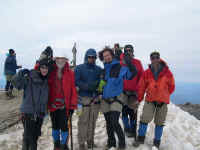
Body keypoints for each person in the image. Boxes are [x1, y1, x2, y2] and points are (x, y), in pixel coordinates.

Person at [133, 51, 175, 149]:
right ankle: (140, 139)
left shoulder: (167, 72)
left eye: (157, 57)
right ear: (151, 60)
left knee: (160, 122)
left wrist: (164, 94)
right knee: (144, 119)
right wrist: (139, 99)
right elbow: (141, 87)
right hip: (150, 100)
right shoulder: (147, 73)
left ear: (159, 58)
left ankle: (156, 143)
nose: (155, 59)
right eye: (153, 58)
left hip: (162, 102)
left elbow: (172, 86)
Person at [98, 47, 137, 150]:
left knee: (114, 121)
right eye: (104, 56)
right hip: (105, 100)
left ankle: (122, 143)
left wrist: (129, 63)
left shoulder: (120, 67)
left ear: (112, 55)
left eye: (108, 55)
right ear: (102, 58)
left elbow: (131, 74)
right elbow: (101, 85)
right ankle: (111, 143)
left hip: (117, 98)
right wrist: (99, 91)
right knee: (108, 123)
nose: (106, 57)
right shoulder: (103, 71)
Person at [12, 59, 49, 150]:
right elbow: (17, 84)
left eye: (46, 68)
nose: (44, 70)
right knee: (30, 140)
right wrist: (20, 73)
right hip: (29, 113)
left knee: (33, 138)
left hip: (39, 115)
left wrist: (44, 112)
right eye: (42, 67)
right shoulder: (29, 78)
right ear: (39, 68)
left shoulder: (46, 82)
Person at [48, 53, 77, 150]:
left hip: (64, 106)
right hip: (53, 105)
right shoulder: (51, 72)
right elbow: (39, 69)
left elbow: (73, 90)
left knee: (64, 127)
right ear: (55, 60)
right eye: (58, 59)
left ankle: (64, 144)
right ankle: (56, 144)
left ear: (66, 61)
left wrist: (73, 106)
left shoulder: (70, 73)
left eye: (63, 59)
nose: (60, 61)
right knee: (55, 126)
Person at [75, 48, 102, 150]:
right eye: (90, 57)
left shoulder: (98, 69)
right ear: (86, 57)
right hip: (81, 99)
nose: (92, 59)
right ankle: (81, 142)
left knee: (92, 121)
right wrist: (87, 86)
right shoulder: (79, 68)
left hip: (94, 99)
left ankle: (90, 140)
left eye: (94, 57)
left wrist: (96, 88)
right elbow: (76, 82)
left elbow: (101, 81)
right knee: (82, 121)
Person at [120, 44, 144, 138]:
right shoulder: (121, 63)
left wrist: (139, 90)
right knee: (124, 112)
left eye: (130, 50)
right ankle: (127, 128)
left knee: (133, 113)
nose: (128, 52)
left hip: (134, 92)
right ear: (124, 52)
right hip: (123, 92)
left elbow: (141, 77)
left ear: (133, 52)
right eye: (126, 50)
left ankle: (133, 131)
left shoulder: (137, 62)